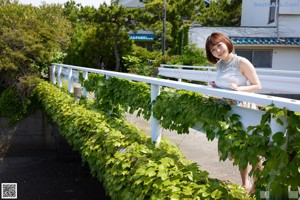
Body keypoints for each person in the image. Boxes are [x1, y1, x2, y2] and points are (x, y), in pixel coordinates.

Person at [205, 32, 262, 193]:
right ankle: (245, 184)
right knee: (238, 149)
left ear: (226, 43)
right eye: (213, 49)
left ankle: (257, 186)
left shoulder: (242, 62)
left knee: (252, 149)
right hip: (230, 111)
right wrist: (217, 87)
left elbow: (257, 86)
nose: (217, 51)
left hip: (245, 108)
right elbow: (225, 85)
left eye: (219, 46)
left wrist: (239, 88)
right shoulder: (220, 64)